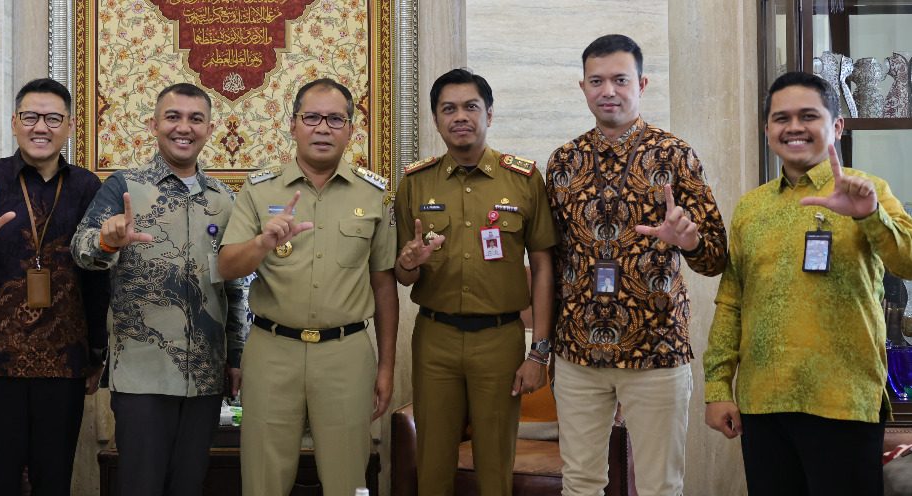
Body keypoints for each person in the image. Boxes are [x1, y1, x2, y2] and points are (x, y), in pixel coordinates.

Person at [704, 71, 912, 496]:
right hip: (763, 403)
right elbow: (731, 303)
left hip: (843, 401)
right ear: (767, 130)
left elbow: (907, 261)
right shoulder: (751, 208)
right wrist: (717, 386)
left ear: (837, 126)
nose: (793, 127)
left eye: (808, 116)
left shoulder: (868, 190)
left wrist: (869, 215)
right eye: (781, 118)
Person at [544, 34, 727, 495]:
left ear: (641, 84)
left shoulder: (675, 155)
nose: (608, 91)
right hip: (578, 350)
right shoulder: (562, 161)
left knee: (660, 486)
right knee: (580, 483)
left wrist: (688, 241)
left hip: (656, 348)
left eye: (620, 80)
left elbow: (715, 258)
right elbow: (551, 257)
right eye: (597, 81)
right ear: (582, 87)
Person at [218, 78, 398, 496]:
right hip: (272, 351)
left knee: (348, 481)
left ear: (351, 129)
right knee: (263, 481)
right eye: (312, 117)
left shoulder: (374, 194)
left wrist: (387, 366)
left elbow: (384, 284)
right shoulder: (259, 190)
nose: (322, 128)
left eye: (335, 119)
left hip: (345, 355)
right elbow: (226, 266)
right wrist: (263, 242)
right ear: (293, 125)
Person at [71, 82, 248, 496]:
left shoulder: (224, 199)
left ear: (209, 129)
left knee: (189, 485)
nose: (183, 127)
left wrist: (236, 357)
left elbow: (235, 287)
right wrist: (107, 241)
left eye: (195, 119)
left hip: (205, 376)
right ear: (153, 125)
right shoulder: (123, 187)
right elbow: (81, 250)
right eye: (173, 117)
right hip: (143, 373)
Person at [0, 78, 109, 495]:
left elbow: (97, 276)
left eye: (53, 118)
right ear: (15, 122)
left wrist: (97, 352)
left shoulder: (87, 186)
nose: (40, 127)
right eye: (30, 117)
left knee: (54, 479)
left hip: (63, 360)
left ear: (70, 126)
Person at [393, 68, 556, 495]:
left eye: (471, 107)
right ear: (436, 119)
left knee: (495, 466)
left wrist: (539, 352)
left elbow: (543, 267)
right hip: (435, 338)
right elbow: (404, 275)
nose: (460, 116)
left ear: (490, 114)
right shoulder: (415, 182)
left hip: (499, 341)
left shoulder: (522, 179)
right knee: (432, 464)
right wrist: (409, 262)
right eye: (449, 109)